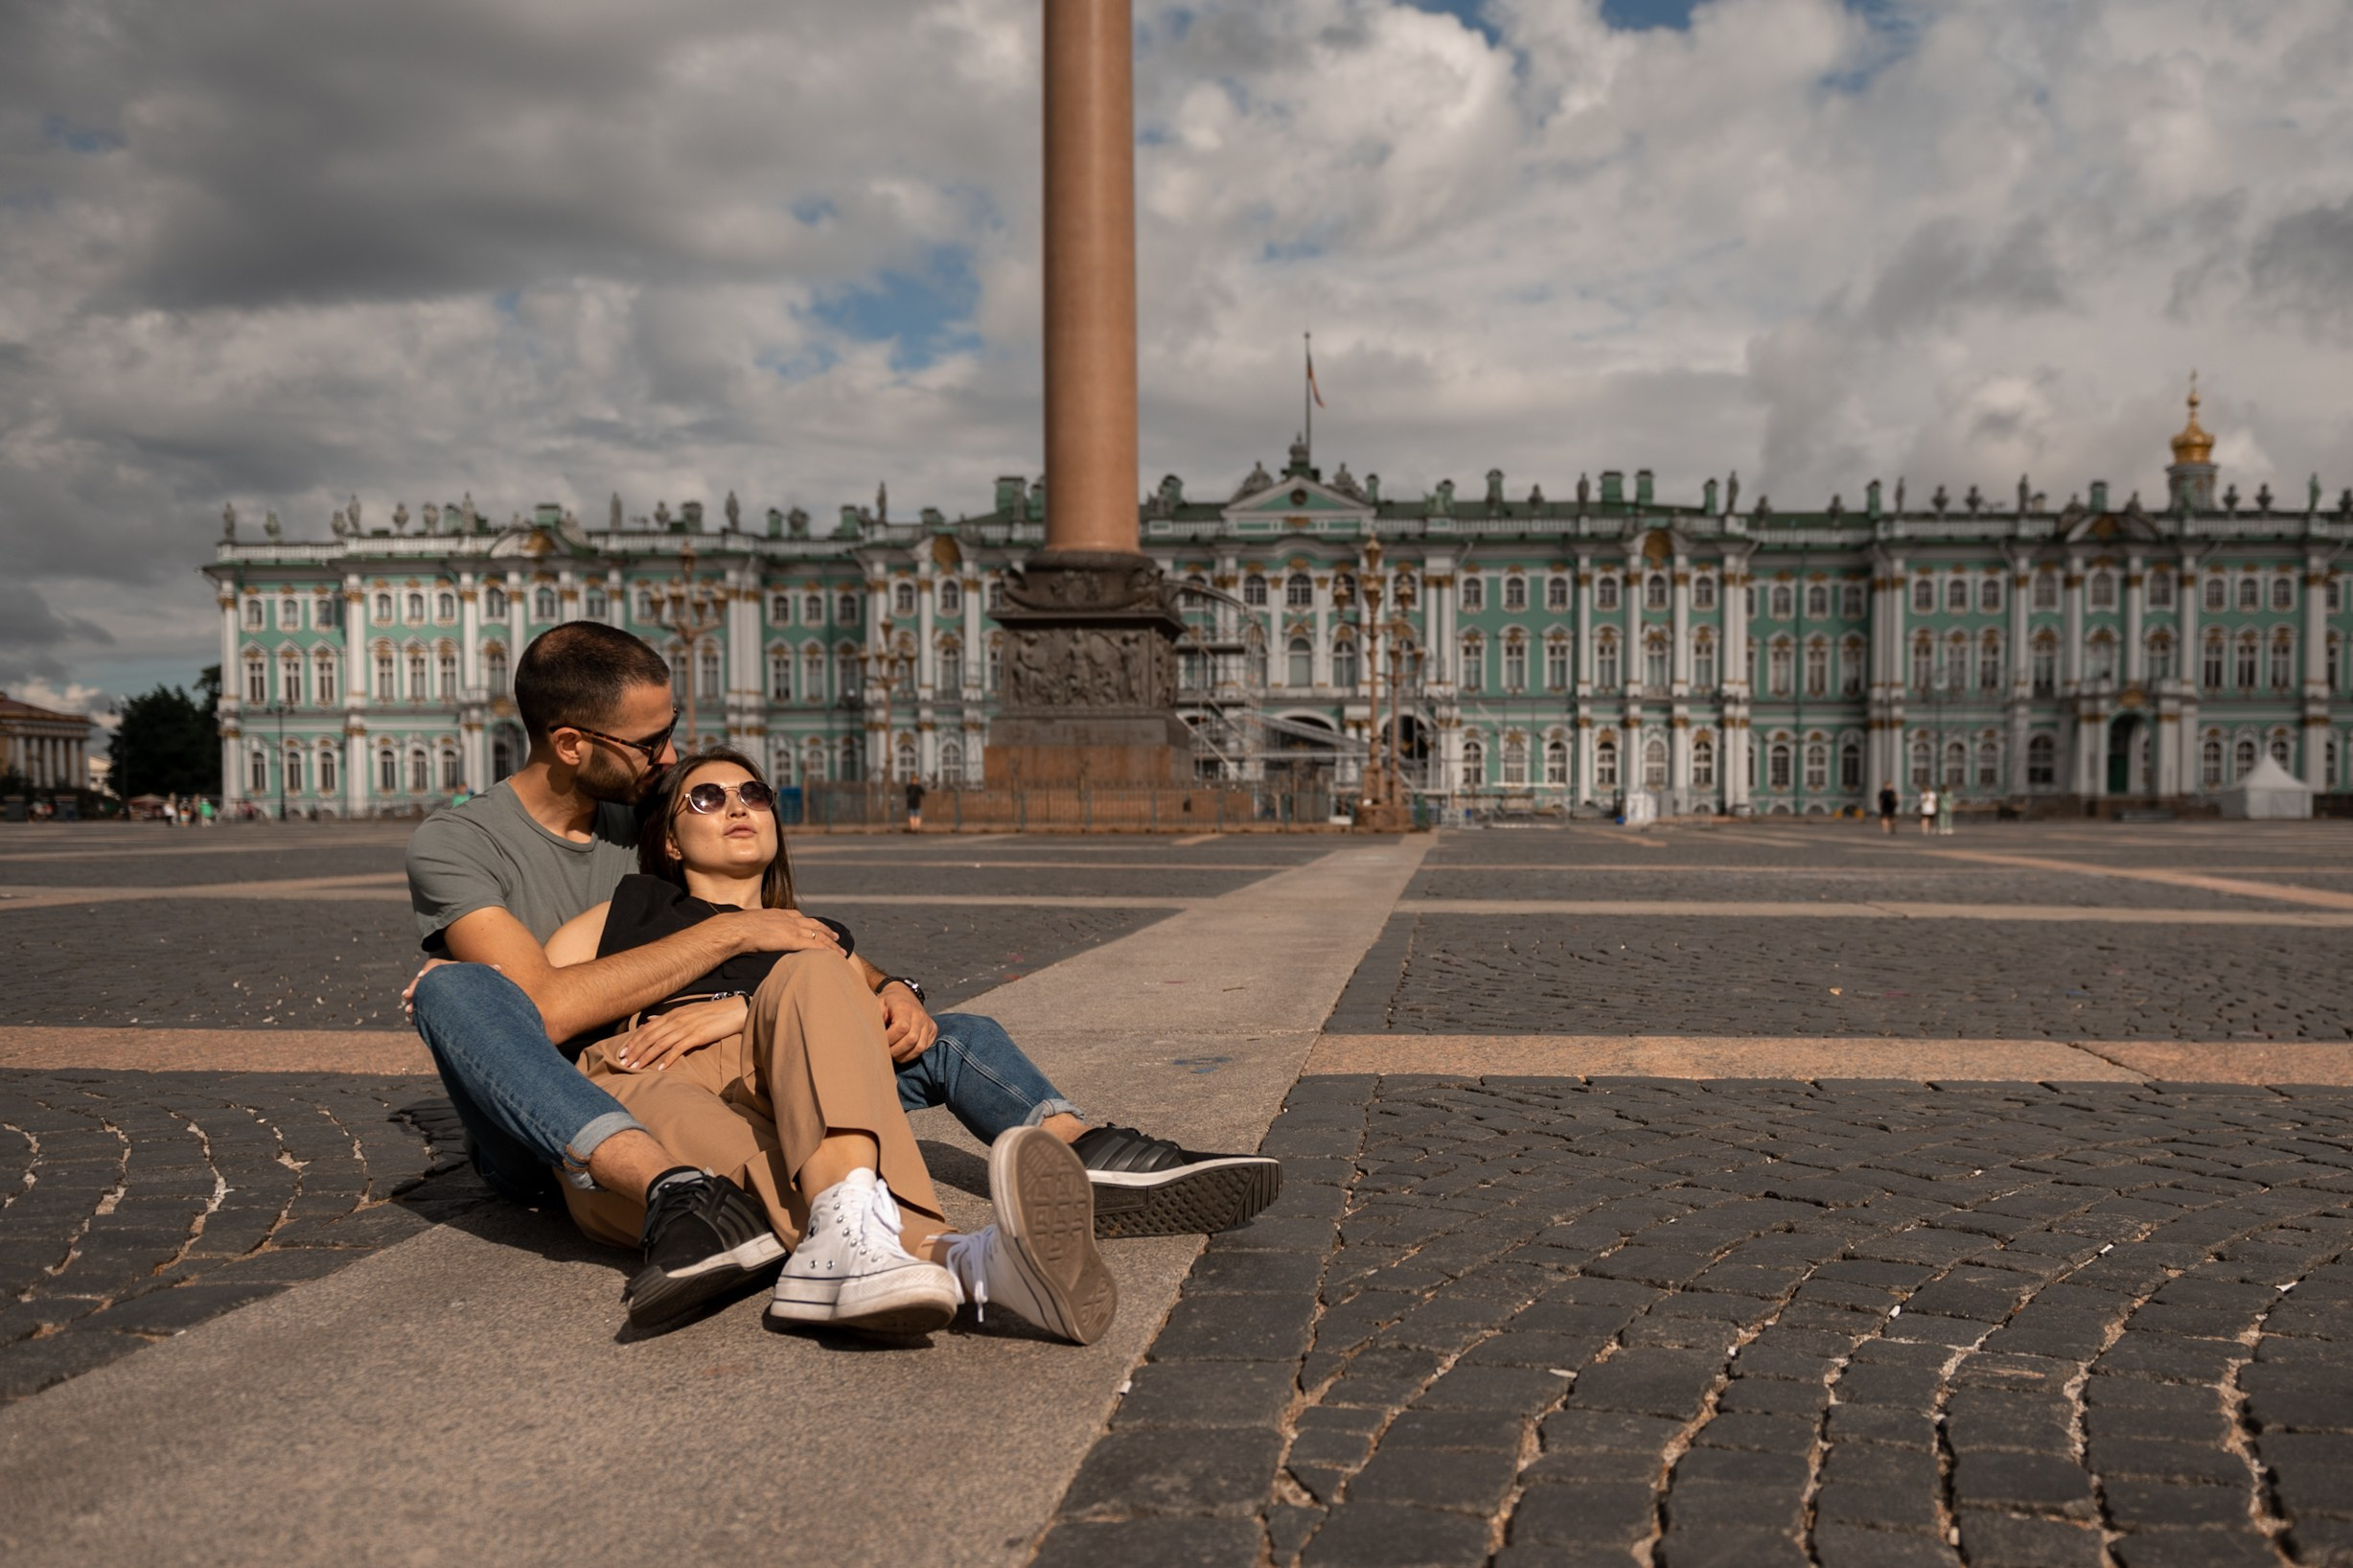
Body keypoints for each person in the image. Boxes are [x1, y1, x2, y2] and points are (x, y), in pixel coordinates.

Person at [404, 623, 1277, 1334]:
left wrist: (893, 989)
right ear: (569, 744)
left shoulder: (644, 805)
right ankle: (938, 1255)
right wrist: (737, 947)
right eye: (657, 748)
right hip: (571, 1103)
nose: (676, 766)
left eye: (747, 794)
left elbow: (816, 957)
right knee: (460, 993)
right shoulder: (466, 845)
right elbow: (545, 1010)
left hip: (749, 1056)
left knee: (937, 1029)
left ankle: (1066, 1159)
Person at [544, 749, 1116, 1342]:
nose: (738, 807)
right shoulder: (630, 911)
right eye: (708, 798)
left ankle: (908, 1255)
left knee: (819, 975)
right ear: (670, 841)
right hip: (652, 1070)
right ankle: (971, 1265)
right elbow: (539, 1002)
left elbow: (866, 987)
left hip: (776, 1075)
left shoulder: (811, 933)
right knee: (754, 1172)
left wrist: (751, 1012)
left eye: (755, 795)